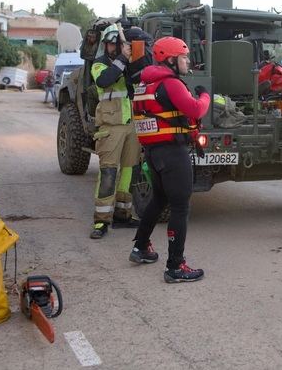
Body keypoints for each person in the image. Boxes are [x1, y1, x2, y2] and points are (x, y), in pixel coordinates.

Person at [130, 36, 211, 283]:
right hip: (172, 154)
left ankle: (141, 247)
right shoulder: (171, 84)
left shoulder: (144, 85)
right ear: (172, 60)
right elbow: (196, 110)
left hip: (153, 154)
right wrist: (205, 95)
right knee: (180, 207)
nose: (188, 61)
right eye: (184, 57)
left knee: (159, 199)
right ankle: (175, 266)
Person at [89, 24, 142, 239]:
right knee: (108, 173)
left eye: (119, 43)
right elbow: (105, 80)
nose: (116, 47)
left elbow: (138, 79)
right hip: (110, 128)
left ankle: (123, 214)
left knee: (129, 172)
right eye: (113, 44)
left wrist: (132, 59)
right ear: (105, 45)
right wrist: (122, 58)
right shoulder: (99, 65)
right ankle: (101, 221)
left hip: (131, 126)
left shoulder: (125, 64)